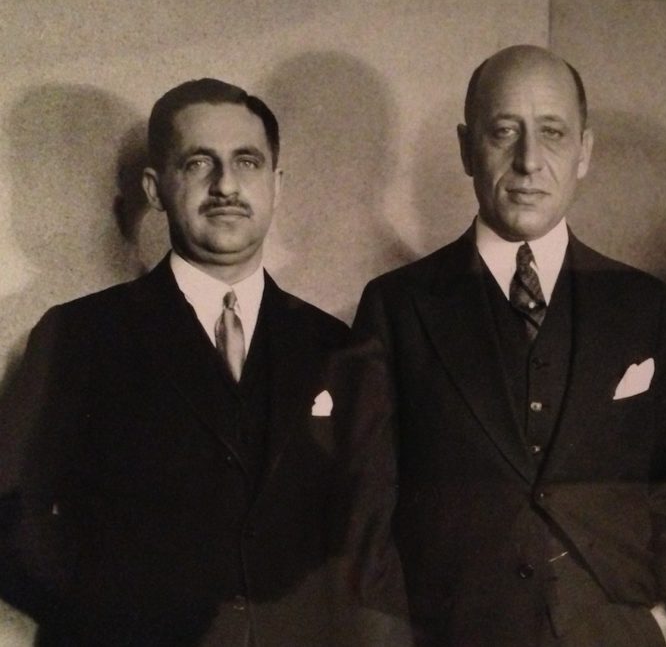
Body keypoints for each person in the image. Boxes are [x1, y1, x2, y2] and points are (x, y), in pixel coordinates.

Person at [0, 78, 405, 645]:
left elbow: (365, 530)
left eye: (247, 161)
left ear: (276, 185)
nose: (226, 186)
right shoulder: (77, 336)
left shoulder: (334, 345)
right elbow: (11, 516)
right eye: (197, 163)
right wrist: (108, 610)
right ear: (156, 187)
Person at [353, 45, 666, 647]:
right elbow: (366, 513)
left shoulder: (644, 306)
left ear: (585, 151)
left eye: (553, 133)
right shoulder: (396, 307)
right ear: (467, 148)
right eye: (503, 132)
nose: (529, 161)